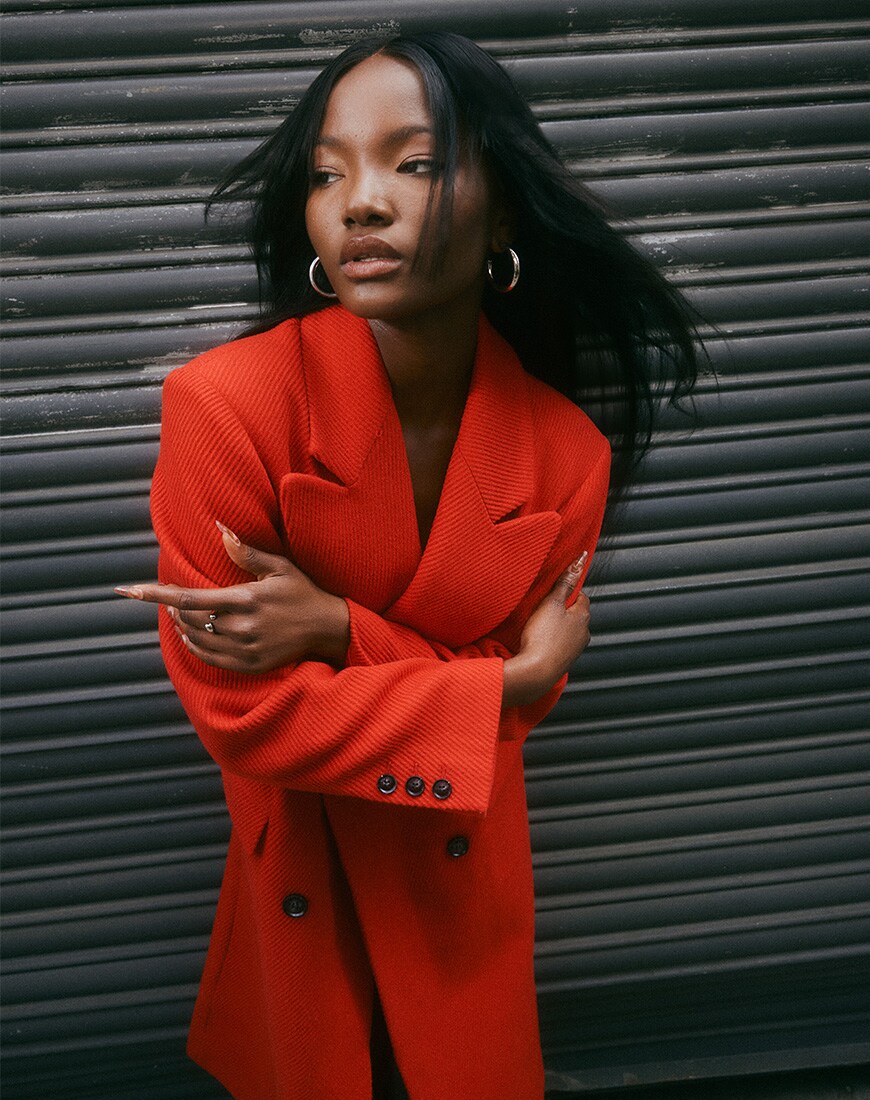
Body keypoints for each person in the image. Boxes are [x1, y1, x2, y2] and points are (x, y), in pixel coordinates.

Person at [116, 31, 698, 1100]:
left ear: (506, 211)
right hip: (307, 884)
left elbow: (532, 692)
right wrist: (496, 679)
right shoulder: (228, 408)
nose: (360, 202)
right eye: (327, 173)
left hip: (462, 883)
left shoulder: (567, 451)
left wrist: (338, 627)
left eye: (413, 162)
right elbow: (245, 713)